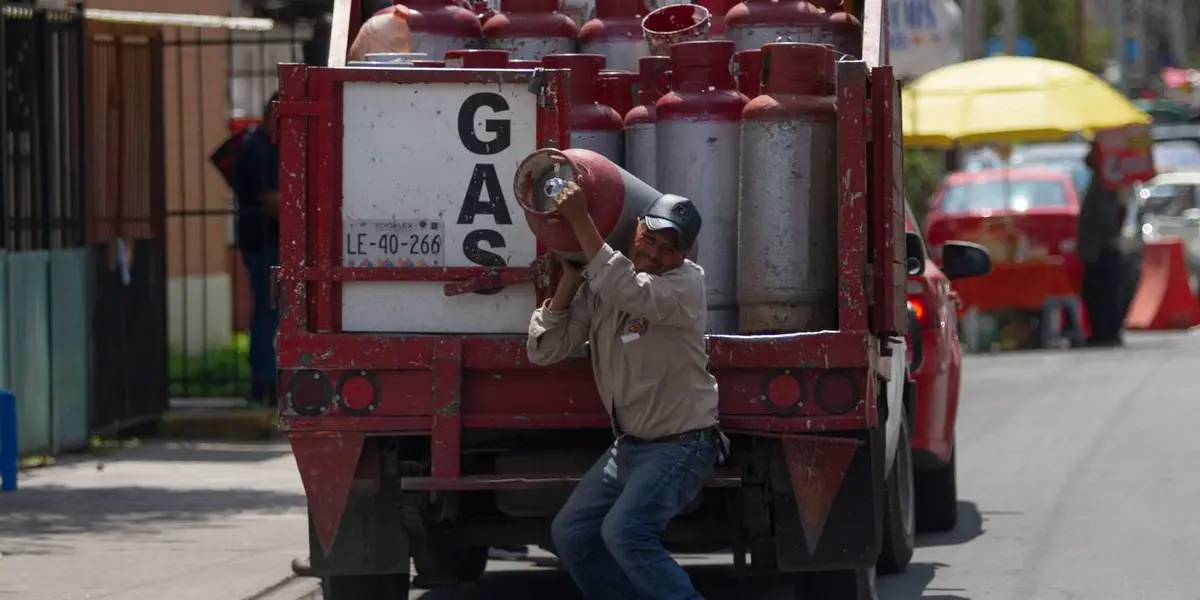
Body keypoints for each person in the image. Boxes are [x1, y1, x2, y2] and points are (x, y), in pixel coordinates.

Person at [526, 181, 723, 600]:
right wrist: (568, 282)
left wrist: (579, 218)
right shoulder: (607, 284)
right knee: (572, 533)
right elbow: (545, 350)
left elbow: (626, 288)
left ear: (683, 256)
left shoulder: (685, 285)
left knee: (625, 533)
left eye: (668, 249)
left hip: (680, 445)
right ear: (635, 229)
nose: (653, 253)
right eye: (648, 239)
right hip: (629, 447)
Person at [233, 93, 282, 404]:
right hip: (264, 243)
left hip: (263, 241)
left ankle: (265, 380)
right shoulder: (261, 149)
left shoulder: (261, 146)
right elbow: (271, 199)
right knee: (268, 312)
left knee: (269, 311)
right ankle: (264, 382)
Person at [1077, 142, 1125, 347]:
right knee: (1094, 292)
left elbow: (1118, 211)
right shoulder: (1098, 180)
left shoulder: (1111, 179)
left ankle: (1107, 333)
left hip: (1104, 248)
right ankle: (1100, 331)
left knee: (1105, 292)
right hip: (1093, 249)